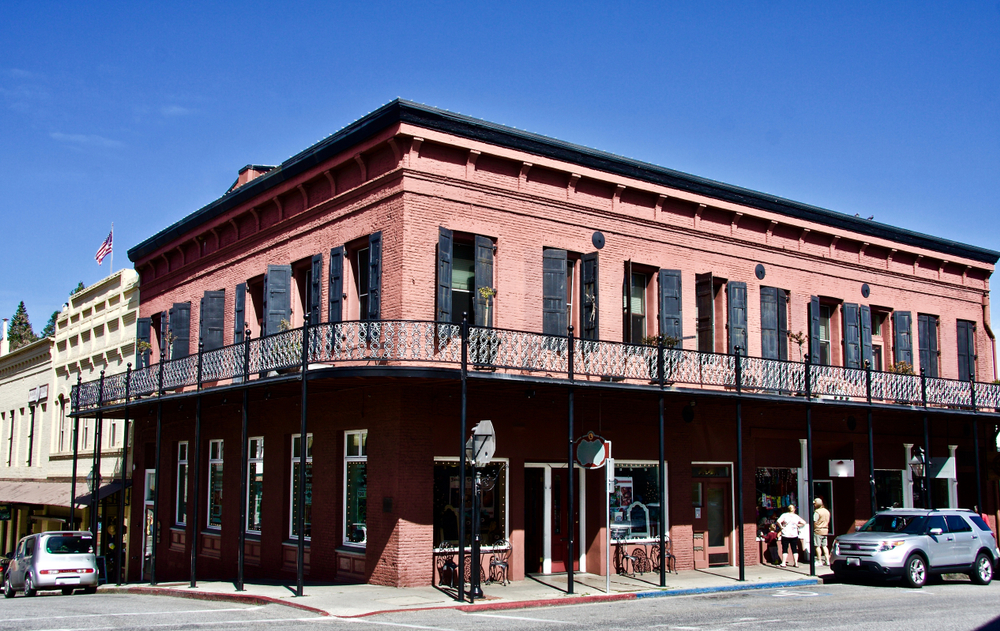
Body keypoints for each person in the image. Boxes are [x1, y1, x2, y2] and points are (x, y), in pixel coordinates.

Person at [812, 498, 831, 566]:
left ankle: (819, 560)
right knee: (825, 546)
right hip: (825, 530)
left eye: (814, 503)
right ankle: (827, 560)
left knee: (817, 546)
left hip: (818, 530)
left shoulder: (817, 512)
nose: (814, 505)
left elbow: (814, 521)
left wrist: (814, 528)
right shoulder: (827, 511)